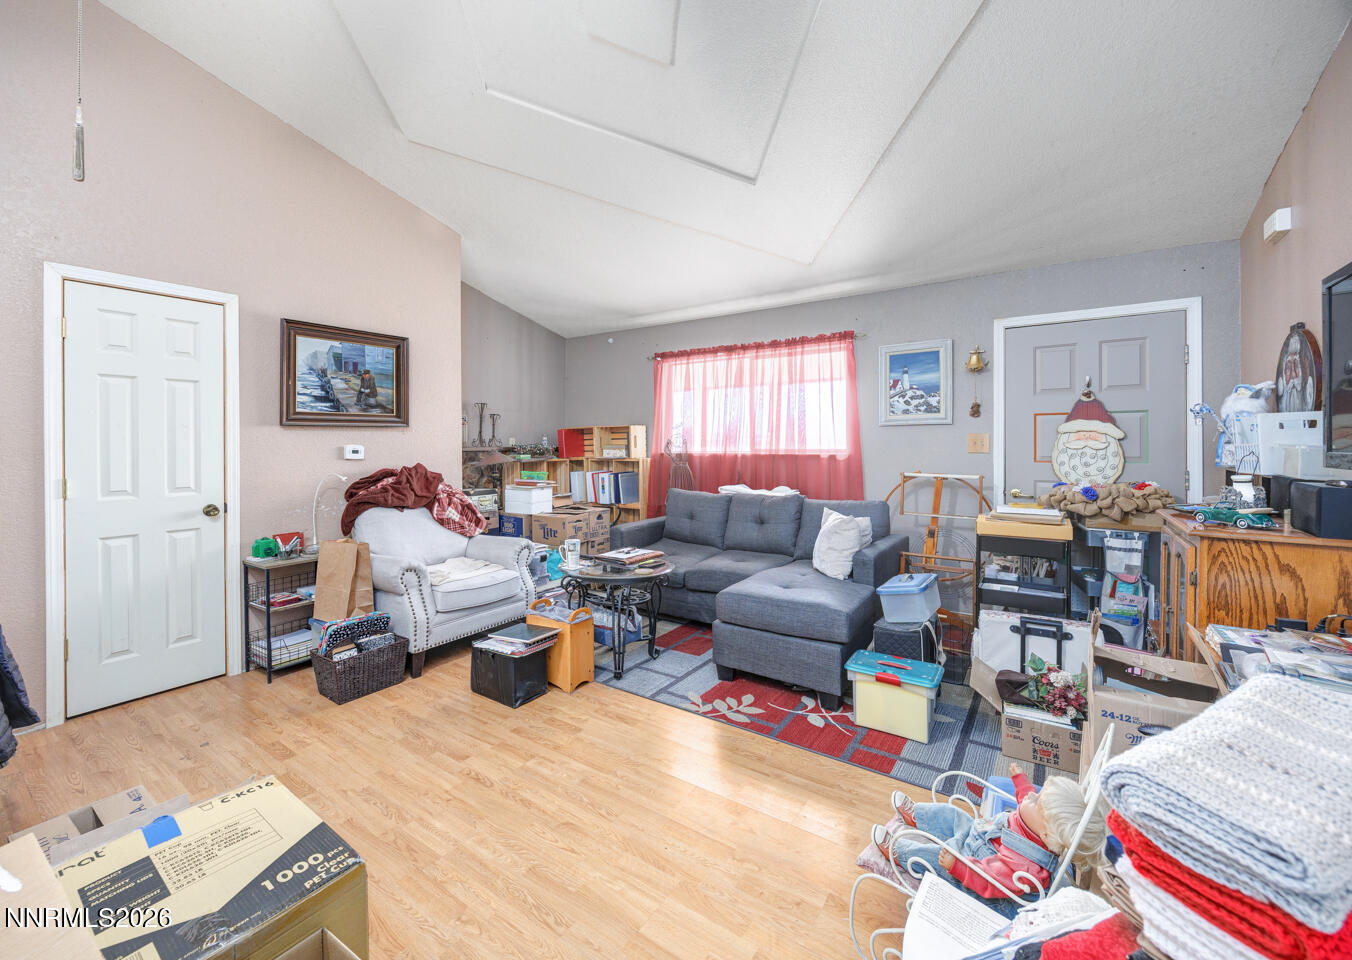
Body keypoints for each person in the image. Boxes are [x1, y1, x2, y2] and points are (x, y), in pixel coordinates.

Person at [871, 763, 1103, 912]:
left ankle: (899, 853)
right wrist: (1020, 780)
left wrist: (958, 867)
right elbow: (1026, 798)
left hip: (975, 867)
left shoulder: (1027, 869)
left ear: (1046, 833)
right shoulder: (1039, 823)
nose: (1032, 795)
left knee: (937, 856)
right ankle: (919, 817)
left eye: (1038, 801)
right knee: (954, 815)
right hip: (981, 837)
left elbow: (989, 880)